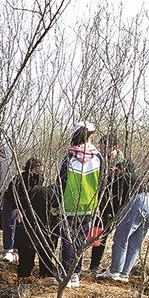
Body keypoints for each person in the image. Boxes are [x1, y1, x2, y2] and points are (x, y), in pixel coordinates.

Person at [57, 121, 103, 288]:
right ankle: (75, 274)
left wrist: (55, 205)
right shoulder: (98, 157)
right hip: (89, 205)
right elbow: (102, 183)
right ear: (91, 135)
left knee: (68, 240)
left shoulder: (70, 157)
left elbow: (61, 182)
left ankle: (66, 274)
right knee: (81, 240)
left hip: (69, 204)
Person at [89, 134, 138, 274]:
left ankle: (119, 269)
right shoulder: (99, 161)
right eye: (101, 147)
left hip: (119, 204)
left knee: (121, 238)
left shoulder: (126, 163)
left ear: (114, 148)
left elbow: (130, 184)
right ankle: (94, 266)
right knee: (99, 234)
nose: (102, 150)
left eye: (105, 148)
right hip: (102, 203)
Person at [98, 178, 149, 282]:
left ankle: (114, 272)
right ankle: (124, 274)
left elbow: (113, 202)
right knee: (136, 241)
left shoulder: (119, 179)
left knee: (121, 238)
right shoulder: (134, 178)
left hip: (138, 200)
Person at [12, 157, 57, 280]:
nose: (38, 170)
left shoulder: (40, 181)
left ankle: (44, 275)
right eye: (36, 168)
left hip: (35, 208)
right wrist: (18, 210)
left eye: (39, 168)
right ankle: (25, 277)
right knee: (28, 253)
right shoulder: (20, 179)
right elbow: (14, 196)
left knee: (42, 251)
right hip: (20, 206)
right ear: (30, 167)